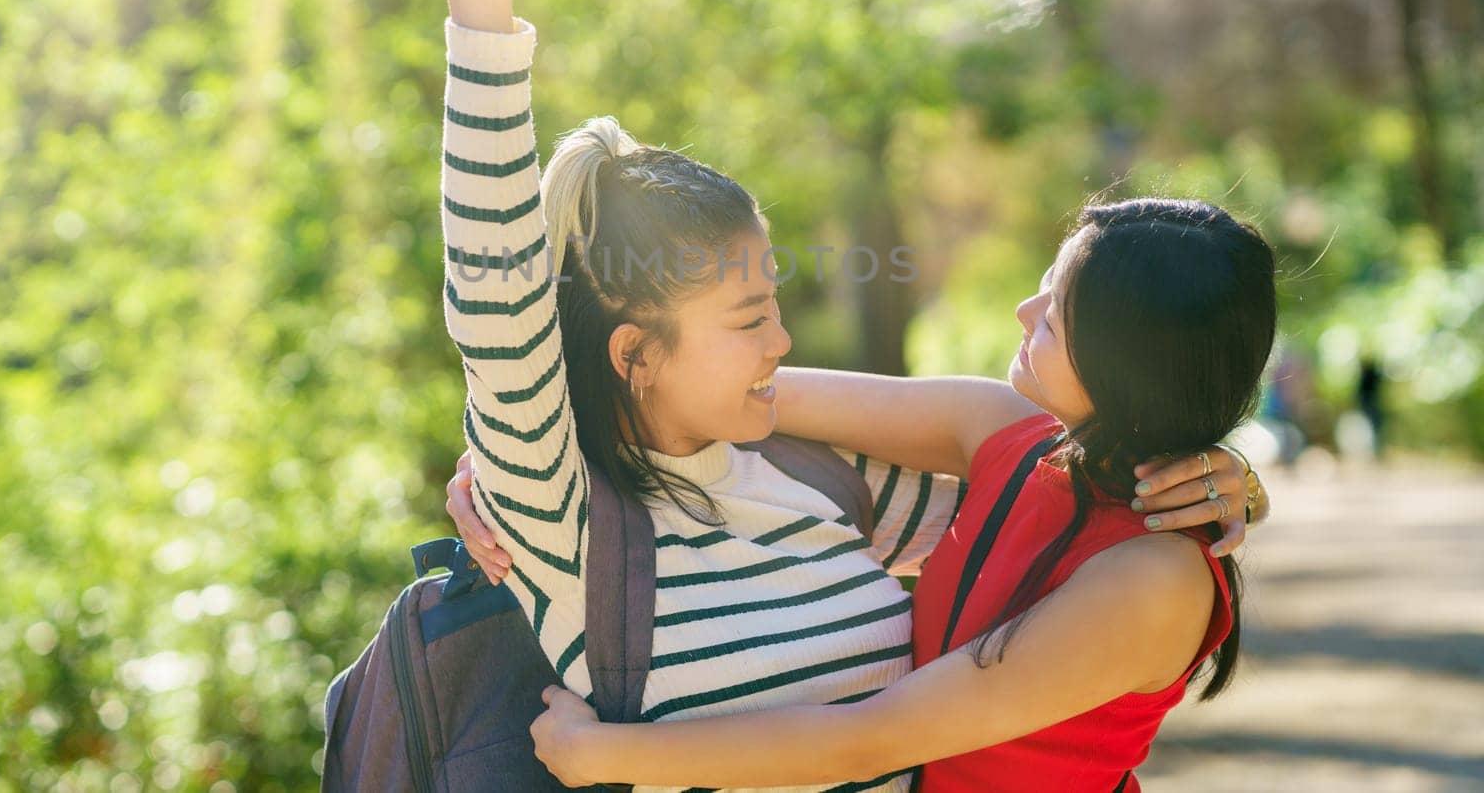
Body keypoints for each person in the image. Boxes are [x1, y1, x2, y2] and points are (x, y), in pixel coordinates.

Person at [398, 0, 1265, 793]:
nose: (781, 342)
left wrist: (1222, 472)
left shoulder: (825, 477)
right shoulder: (564, 513)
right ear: (635, 354)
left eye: (777, 301)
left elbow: (1054, 539)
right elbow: (498, 287)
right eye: (748, 314)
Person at [526, 199, 1277, 791]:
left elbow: (871, 738)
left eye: (1054, 313)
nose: (1023, 311)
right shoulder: (1005, 430)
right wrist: (544, 451)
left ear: (1128, 360)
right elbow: (725, 390)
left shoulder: (1154, 579)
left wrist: (601, 752)